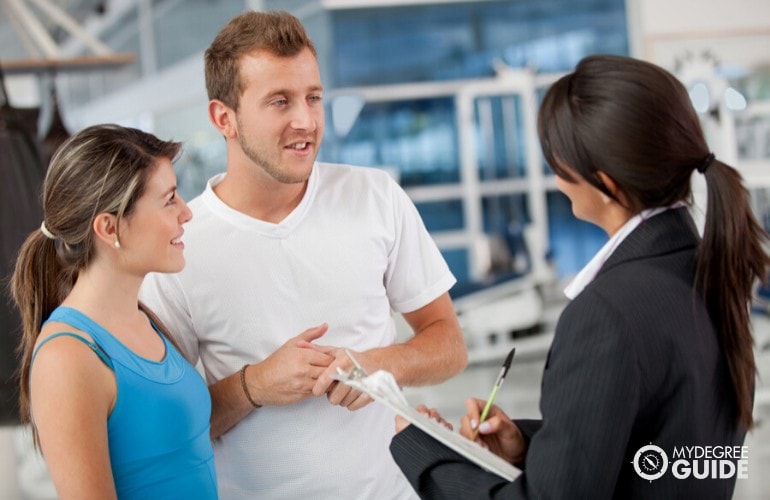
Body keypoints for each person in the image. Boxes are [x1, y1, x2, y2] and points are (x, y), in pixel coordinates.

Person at [389, 54, 770, 499]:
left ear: (605, 183)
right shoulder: (706, 271)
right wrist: (529, 446)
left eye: (558, 165)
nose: (555, 182)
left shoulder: (608, 315)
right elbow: (663, 453)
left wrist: (426, 451)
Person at [138, 10, 467, 500]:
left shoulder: (375, 197)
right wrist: (254, 385)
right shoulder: (178, 244)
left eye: (314, 97)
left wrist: (379, 363)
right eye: (280, 101)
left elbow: (448, 345)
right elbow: (168, 433)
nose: (306, 121)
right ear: (222, 117)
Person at [10, 124, 218, 499]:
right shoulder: (68, 358)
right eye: (169, 199)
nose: (186, 212)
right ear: (109, 227)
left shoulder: (144, 320)